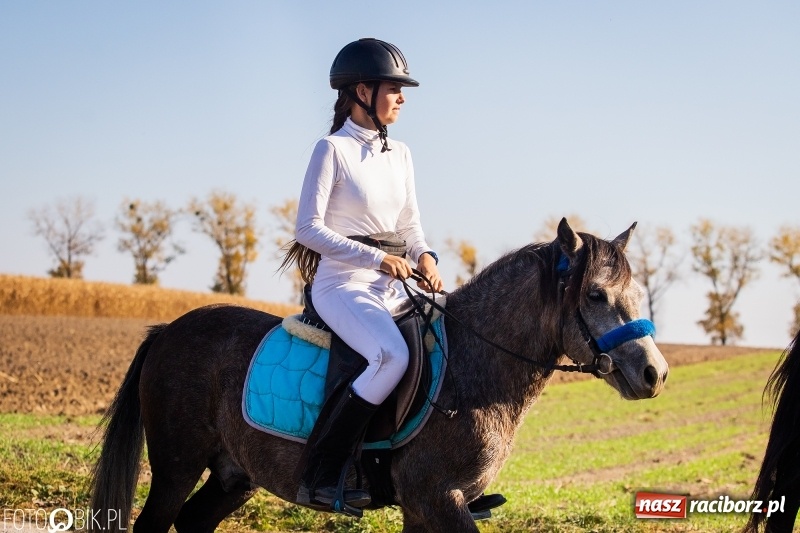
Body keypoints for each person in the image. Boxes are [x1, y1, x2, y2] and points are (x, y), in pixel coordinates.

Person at [280, 38, 443, 511]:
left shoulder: (402, 154)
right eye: (395, 88)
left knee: (455, 332)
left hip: (394, 285)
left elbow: (410, 225)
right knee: (391, 355)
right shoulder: (331, 149)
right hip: (342, 285)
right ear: (361, 91)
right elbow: (307, 229)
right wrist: (376, 259)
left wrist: (425, 255)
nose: (403, 97)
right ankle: (323, 472)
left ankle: (439, 473)